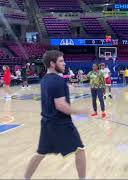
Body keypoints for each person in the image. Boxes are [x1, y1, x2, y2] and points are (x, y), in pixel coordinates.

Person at [24, 50, 87, 179]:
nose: (64, 63)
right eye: (61, 61)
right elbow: (61, 105)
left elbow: (53, 95)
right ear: (52, 64)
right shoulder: (57, 81)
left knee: (40, 153)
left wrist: (66, 87)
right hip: (61, 124)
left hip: (47, 123)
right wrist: (80, 111)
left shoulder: (45, 79)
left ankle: (25, 178)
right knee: (80, 150)